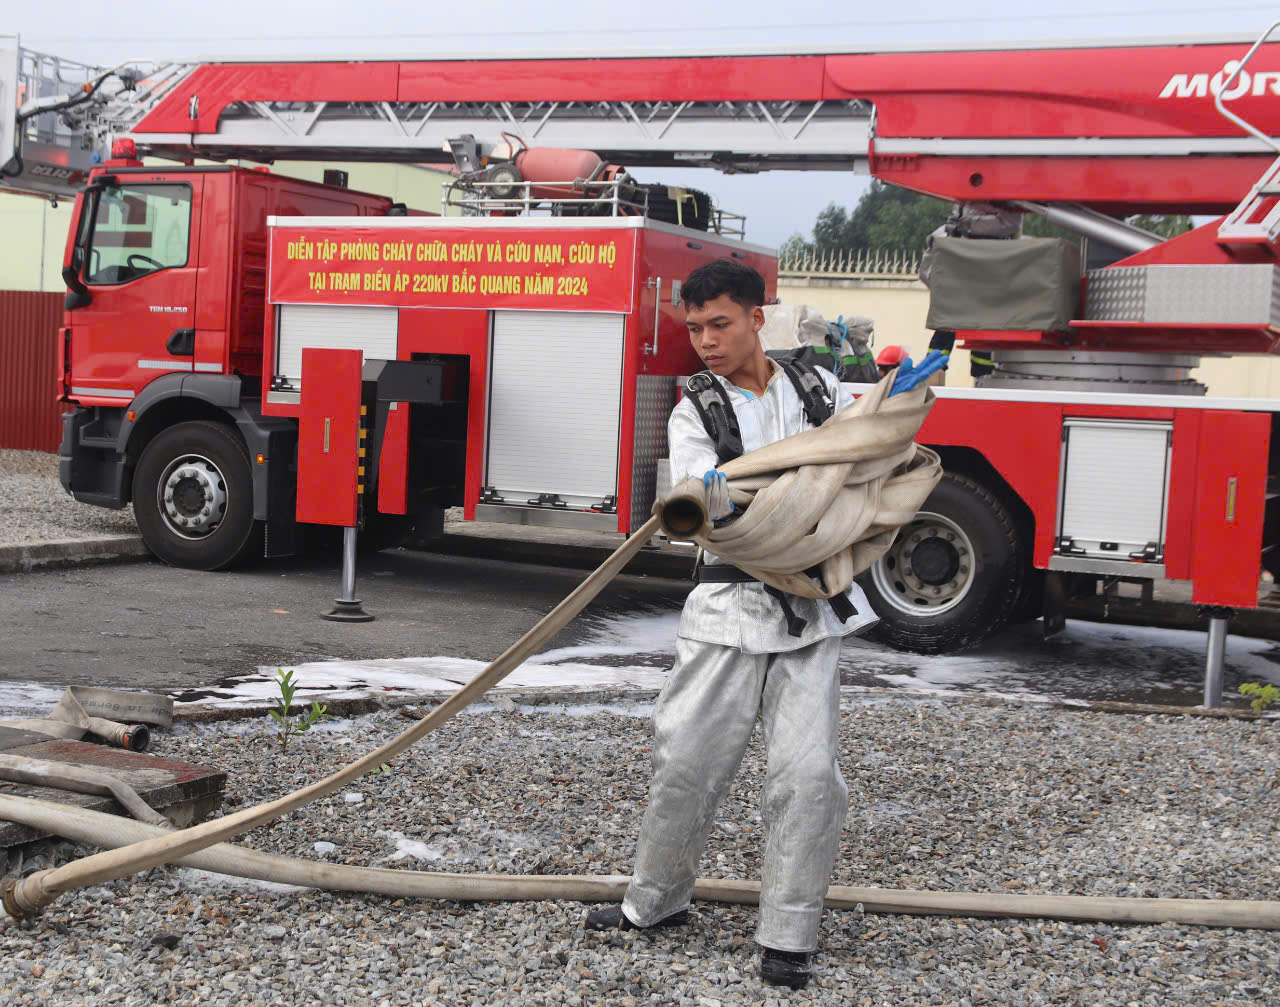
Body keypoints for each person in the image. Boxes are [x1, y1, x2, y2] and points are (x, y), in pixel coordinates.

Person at [583, 259, 879, 990]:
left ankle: (789, 933)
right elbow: (698, 503)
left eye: (719, 324)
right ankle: (653, 903)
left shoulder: (820, 392)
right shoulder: (696, 409)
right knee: (687, 765)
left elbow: (859, 464)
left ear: (757, 316)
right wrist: (728, 498)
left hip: (810, 612)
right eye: (694, 329)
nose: (706, 341)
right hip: (724, 610)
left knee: (809, 777)